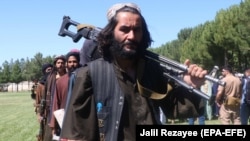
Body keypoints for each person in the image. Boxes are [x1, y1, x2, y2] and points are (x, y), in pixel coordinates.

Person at [60, 3, 207, 141]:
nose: (131, 36)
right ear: (111, 33)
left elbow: (176, 109)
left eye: (137, 30)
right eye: (124, 29)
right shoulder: (90, 75)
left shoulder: (152, 70)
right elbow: (78, 133)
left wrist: (191, 86)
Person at [49, 49, 82, 138]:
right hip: (64, 121)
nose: (72, 64)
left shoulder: (84, 78)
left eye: (74, 61)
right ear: (67, 64)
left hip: (82, 121)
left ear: (79, 62)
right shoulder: (60, 81)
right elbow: (56, 104)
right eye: (70, 62)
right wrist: (53, 126)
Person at [42, 55, 67, 141]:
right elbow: (44, 95)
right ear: (55, 64)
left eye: (62, 63)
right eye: (58, 63)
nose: (60, 65)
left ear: (65, 64)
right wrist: (41, 111)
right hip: (51, 109)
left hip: (65, 108)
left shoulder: (69, 77)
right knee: (51, 136)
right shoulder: (50, 78)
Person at [35, 63, 53, 141]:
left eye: (51, 69)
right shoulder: (41, 85)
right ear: (44, 71)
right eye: (48, 70)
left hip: (54, 110)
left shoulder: (55, 81)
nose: (50, 71)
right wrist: (39, 114)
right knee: (45, 133)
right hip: (44, 113)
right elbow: (38, 101)